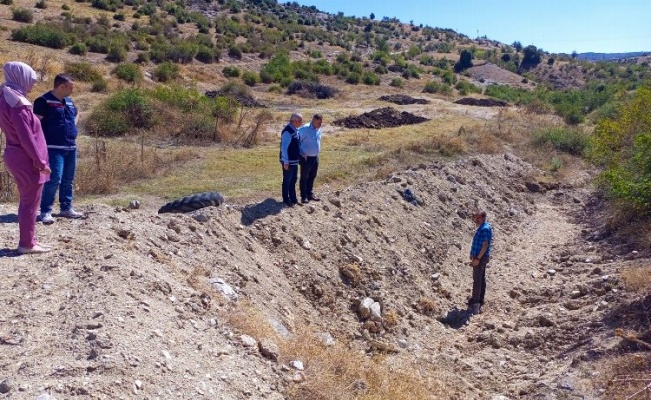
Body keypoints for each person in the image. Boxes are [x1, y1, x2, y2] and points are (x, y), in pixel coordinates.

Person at [0, 62, 52, 254]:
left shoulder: (6, 96)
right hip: (26, 158)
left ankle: (30, 240)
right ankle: (27, 244)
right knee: (30, 202)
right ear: (21, 77)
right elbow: (26, 137)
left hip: (16, 154)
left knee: (28, 201)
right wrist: (40, 162)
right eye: (31, 80)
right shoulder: (17, 103)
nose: (32, 84)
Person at [35, 74, 82, 224]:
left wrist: (73, 126)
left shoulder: (69, 101)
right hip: (52, 147)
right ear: (62, 86)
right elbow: (34, 124)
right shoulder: (43, 101)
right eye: (71, 86)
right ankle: (46, 211)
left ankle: (66, 208)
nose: (73, 89)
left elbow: (76, 113)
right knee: (54, 179)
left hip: (70, 146)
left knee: (68, 179)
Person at [468, 210, 493, 315]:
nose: (476, 220)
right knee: (481, 278)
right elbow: (476, 242)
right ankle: (479, 299)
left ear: (482, 217)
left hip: (480, 257)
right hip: (478, 256)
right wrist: (471, 253)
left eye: (478, 218)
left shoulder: (485, 229)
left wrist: (477, 258)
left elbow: (485, 245)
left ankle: (476, 303)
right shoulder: (482, 227)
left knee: (477, 279)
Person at [279, 113, 302, 207]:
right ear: (295, 121)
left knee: (293, 179)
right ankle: (286, 199)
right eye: (300, 121)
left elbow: (296, 145)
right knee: (287, 180)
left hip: (294, 161)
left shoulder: (295, 130)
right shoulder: (287, 131)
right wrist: (286, 161)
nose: (301, 123)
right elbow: (284, 147)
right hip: (289, 162)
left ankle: (293, 198)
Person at [298, 114, 322, 204]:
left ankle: (310, 194)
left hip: (315, 157)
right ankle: (303, 197)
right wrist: (301, 153)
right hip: (306, 158)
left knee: (312, 176)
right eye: (319, 122)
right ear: (314, 120)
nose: (320, 124)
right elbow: (296, 141)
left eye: (321, 123)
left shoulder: (319, 129)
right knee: (304, 177)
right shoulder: (305, 129)